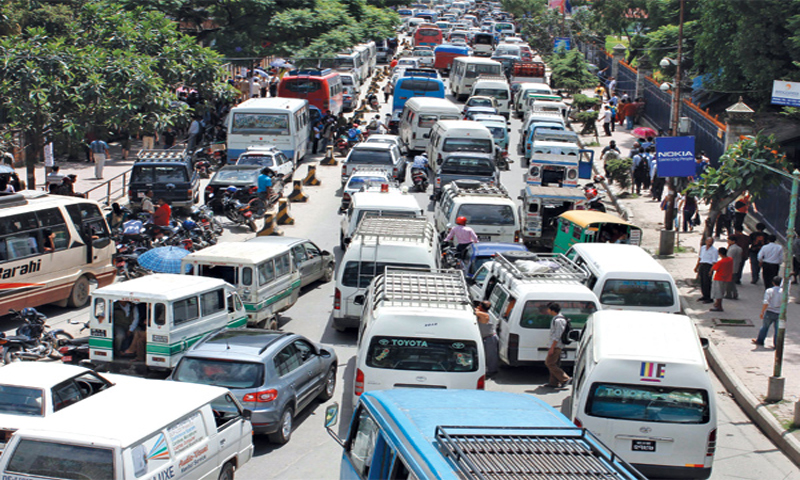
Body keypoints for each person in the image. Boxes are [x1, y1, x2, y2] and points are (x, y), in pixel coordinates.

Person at [545, 302, 570, 388]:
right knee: (555, 363)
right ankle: (553, 382)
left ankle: (565, 378)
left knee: (549, 363)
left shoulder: (559, 320)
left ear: (552, 310)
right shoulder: (556, 318)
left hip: (556, 346)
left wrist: (552, 347)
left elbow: (557, 335)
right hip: (555, 345)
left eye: (549, 309)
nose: (547, 311)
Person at [753, 277, 783, 348]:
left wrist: (762, 312)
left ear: (773, 282)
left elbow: (766, 302)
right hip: (780, 312)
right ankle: (777, 345)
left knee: (765, 327)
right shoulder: (784, 292)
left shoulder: (769, 291)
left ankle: (760, 340)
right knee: (778, 330)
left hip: (770, 311)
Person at [474, 301, 498, 377]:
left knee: (490, 356)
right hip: (484, 338)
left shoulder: (485, 315)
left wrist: (475, 310)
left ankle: (492, 371)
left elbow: (478, 313)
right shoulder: (481, 313)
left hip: (489, 338)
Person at [695, 236, 717, 304]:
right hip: (702, 265)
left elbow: (714, 261)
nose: (709, 243)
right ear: (706, 242)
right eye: (708, 242)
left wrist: (711, 270)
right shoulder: (703, 248)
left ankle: (709, 297)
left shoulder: (714, 250)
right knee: (702, 281)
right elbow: (700, 257)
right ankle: (704, 295)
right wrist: (697, 266)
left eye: (711, 242)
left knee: (707, 282)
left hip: (709, 266)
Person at [709, 247, 732, 312]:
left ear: (720, 254)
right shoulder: (730, 259)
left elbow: (714, 268)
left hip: (719, 278)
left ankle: (718, 306)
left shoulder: (721, 262)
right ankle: (718, 305)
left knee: (718, 292)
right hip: (726, 278)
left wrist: (711, 271)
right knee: (722, 292)